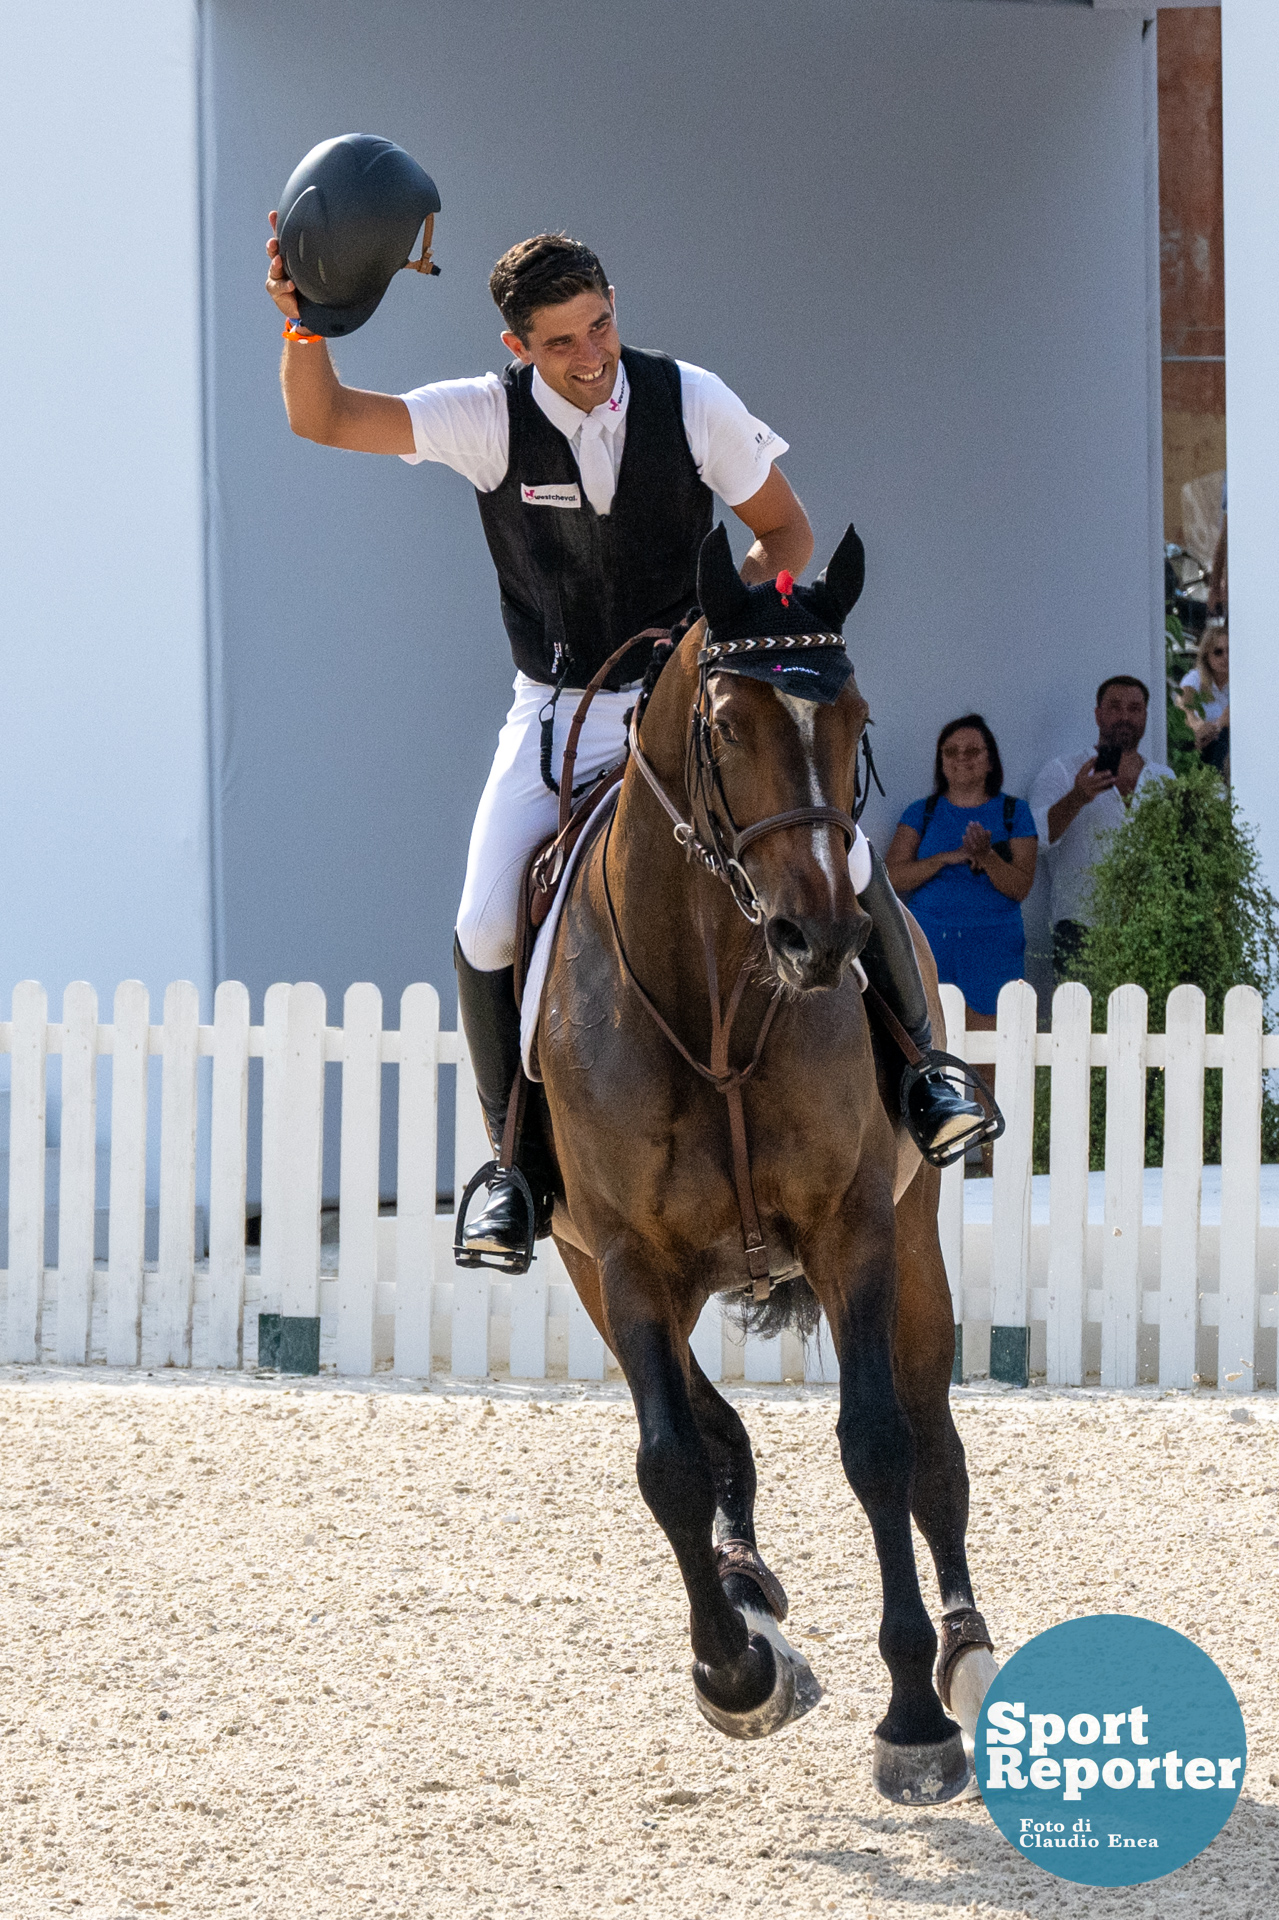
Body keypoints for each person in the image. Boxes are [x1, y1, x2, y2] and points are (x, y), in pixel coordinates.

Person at [266, 225, 986, 1259]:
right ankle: (513, 1168)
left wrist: (734, 637)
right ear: (519, 348)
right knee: (482, 922)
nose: (592, 356)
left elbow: (785, 532)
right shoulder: (484, 419)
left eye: (600, 325)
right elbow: (323, 416)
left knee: (844, 854)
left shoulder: (690, 398)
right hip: (557, 712)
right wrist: (302, 320)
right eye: (561, 343)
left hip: (688, 701)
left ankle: (923, 1075)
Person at [885, 715, 1037, 1036]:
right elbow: (892, 878)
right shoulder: (921, 812)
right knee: (934, 1052)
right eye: (951, 752)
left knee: (991, 1057)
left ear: (990, 761)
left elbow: (1020, 886)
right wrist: (945, 858)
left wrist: (986, 857)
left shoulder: (1014, 813)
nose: (961, 759)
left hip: (993, 950)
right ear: (941, 762)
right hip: (931, 946)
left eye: (972, 751)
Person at [1029, 676, 1174, 982]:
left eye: (1135, 709)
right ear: (1097, 714)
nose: (1125, 716)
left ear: (1146, 716)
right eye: (1115, 707)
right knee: (1081, 1025)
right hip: (1082, 927)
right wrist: (1077, 797)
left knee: (1146, 1027)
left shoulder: (1164, 779)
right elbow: (1037, 839)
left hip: (1149, 928)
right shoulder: (1064, 770)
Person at [1176, 624, 1229, 777]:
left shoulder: (1238, 683)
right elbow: (1184, 706)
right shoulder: (1196, 678)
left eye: (1229, 651)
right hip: (1199, 748)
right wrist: (1197, 725)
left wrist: (1217, 726)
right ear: (1207, 655)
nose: (1225, 657)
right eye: (1218, 652)